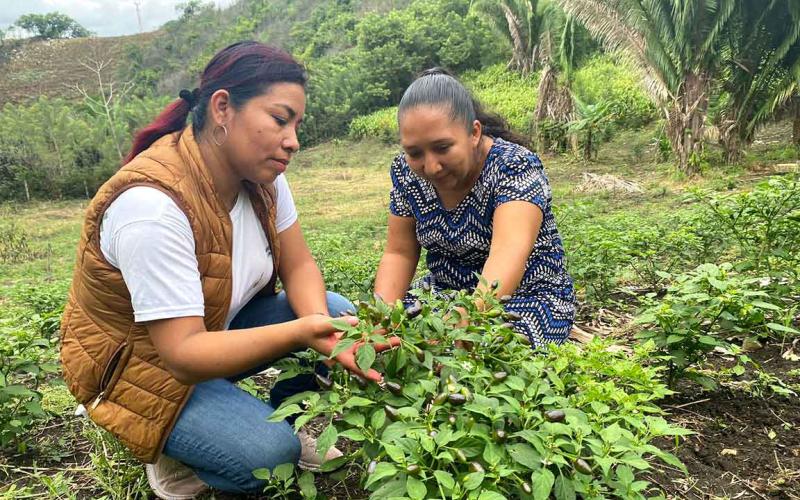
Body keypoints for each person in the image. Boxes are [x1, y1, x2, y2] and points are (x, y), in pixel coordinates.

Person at [60, 41, 397, 499]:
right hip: (141, 369)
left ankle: (286, 423)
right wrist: (302, 333)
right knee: (267, 456)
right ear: (223, 108)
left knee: (331, 311)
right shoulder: (152, 208)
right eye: (280, 120)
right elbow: (182, 355)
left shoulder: (264, 179)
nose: (293, 140)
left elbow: (298, 265)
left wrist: (324, 331)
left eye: (297, 125)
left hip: (212, 330)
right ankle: (176, 459)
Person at [373, 68, 576, 347]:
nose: (431, 167)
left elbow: (508, 250)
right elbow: (399, 253)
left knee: (497, 346)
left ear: (474, 133)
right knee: (401, 337)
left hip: (525, 295)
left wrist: (467, 320)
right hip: (445, 294)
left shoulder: (513, 167)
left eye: (443, 147)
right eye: (415, 153)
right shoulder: (406, 175)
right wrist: (382, 320)